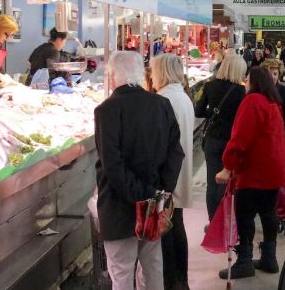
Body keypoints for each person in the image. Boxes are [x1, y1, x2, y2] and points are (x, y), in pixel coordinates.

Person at [94, 51, 184, 290]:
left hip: (119, 207)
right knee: (153, 268)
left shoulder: (106, 110)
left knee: (122, 274)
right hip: (154, 204)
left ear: (113, 76)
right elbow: (176, 152)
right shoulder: (161, 104)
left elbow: (112, 165)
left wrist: (141, 195)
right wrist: (159, 192)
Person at [215, 67, 285, 279]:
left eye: (247, 80)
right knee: (268, 212)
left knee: (245, 214)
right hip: (275, 168)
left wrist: (228, 166)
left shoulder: (252, 101)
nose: (245, 83)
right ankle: (269, 258)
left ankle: (245, 261)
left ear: (254, 82)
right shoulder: (272, 101)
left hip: (256, 169)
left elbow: (240, 138)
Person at [150, 53, 195, 290]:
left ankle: (173, 282)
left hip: (169, 175)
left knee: (168, 230)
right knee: (177, 225)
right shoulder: (182, 97)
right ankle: (181, 280)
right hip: (180, 170)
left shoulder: (165, 98)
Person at [194, 54, 247, 220]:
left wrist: (213, 112)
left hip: (212, 140)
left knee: (212, 183)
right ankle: (228, 220)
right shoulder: (242, 91)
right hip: (232, 142)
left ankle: (213, 222)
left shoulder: (210, 86)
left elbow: (199, 111)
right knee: (232, 183)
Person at [261, 59, 285, 145]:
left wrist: (281, 128)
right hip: (262, 134)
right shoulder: (259, 91)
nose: (272, 76)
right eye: (269, 74)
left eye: (275, 74)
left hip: (279, 133)